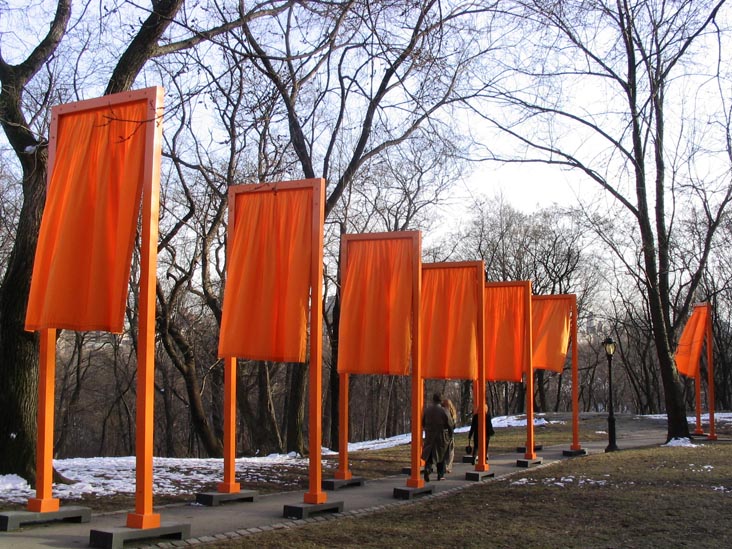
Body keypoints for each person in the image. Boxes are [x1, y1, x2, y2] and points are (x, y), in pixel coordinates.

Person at [421, 392, 454, 481]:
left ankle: (427, 468)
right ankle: (440, 474)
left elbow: (423, 422)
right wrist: (450, 434)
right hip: (441, 436)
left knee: (430, 454)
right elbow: (450, 424)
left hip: (429, 435)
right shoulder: (444, 411)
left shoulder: (427, 410)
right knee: (441, 455)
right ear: (441, 400)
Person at [442, 398, 457, 473]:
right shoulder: (452, 412)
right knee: (451, 451)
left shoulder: (442, 411)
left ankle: (445, 466)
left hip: (443, 434)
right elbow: (454, 424)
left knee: (444, 452)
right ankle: (448, 466)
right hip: (450, 434)